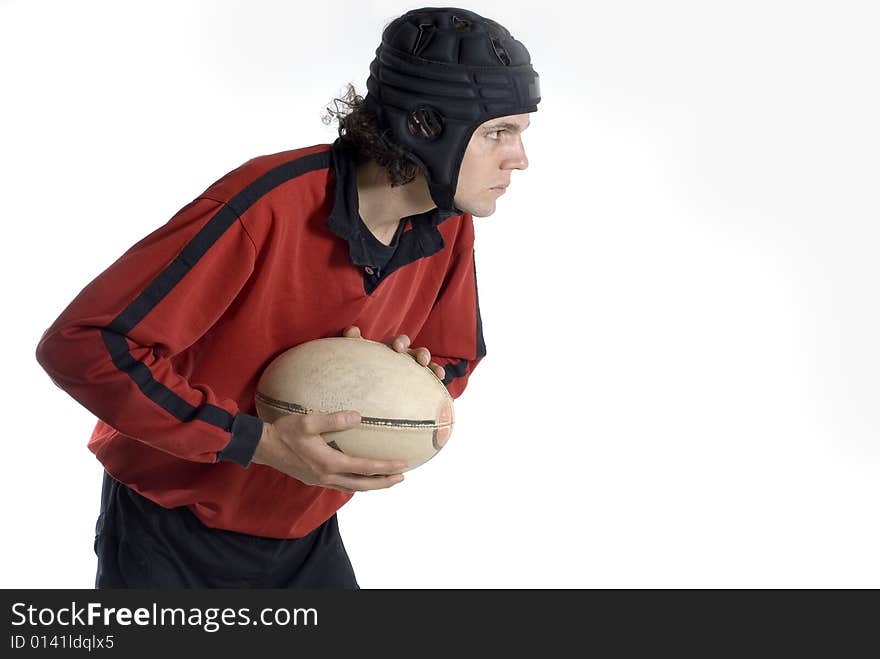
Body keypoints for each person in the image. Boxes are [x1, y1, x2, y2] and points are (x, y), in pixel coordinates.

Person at [35, 6, 541, 588]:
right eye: (498, 133)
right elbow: (85, 346)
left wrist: (405, 385)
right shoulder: (265, 204)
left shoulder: (448, 224)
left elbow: (455, 356)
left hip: (302, 535)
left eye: (521, 133)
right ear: (425, 127)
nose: (519, 158)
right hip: (166, 527)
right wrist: (254, 441)